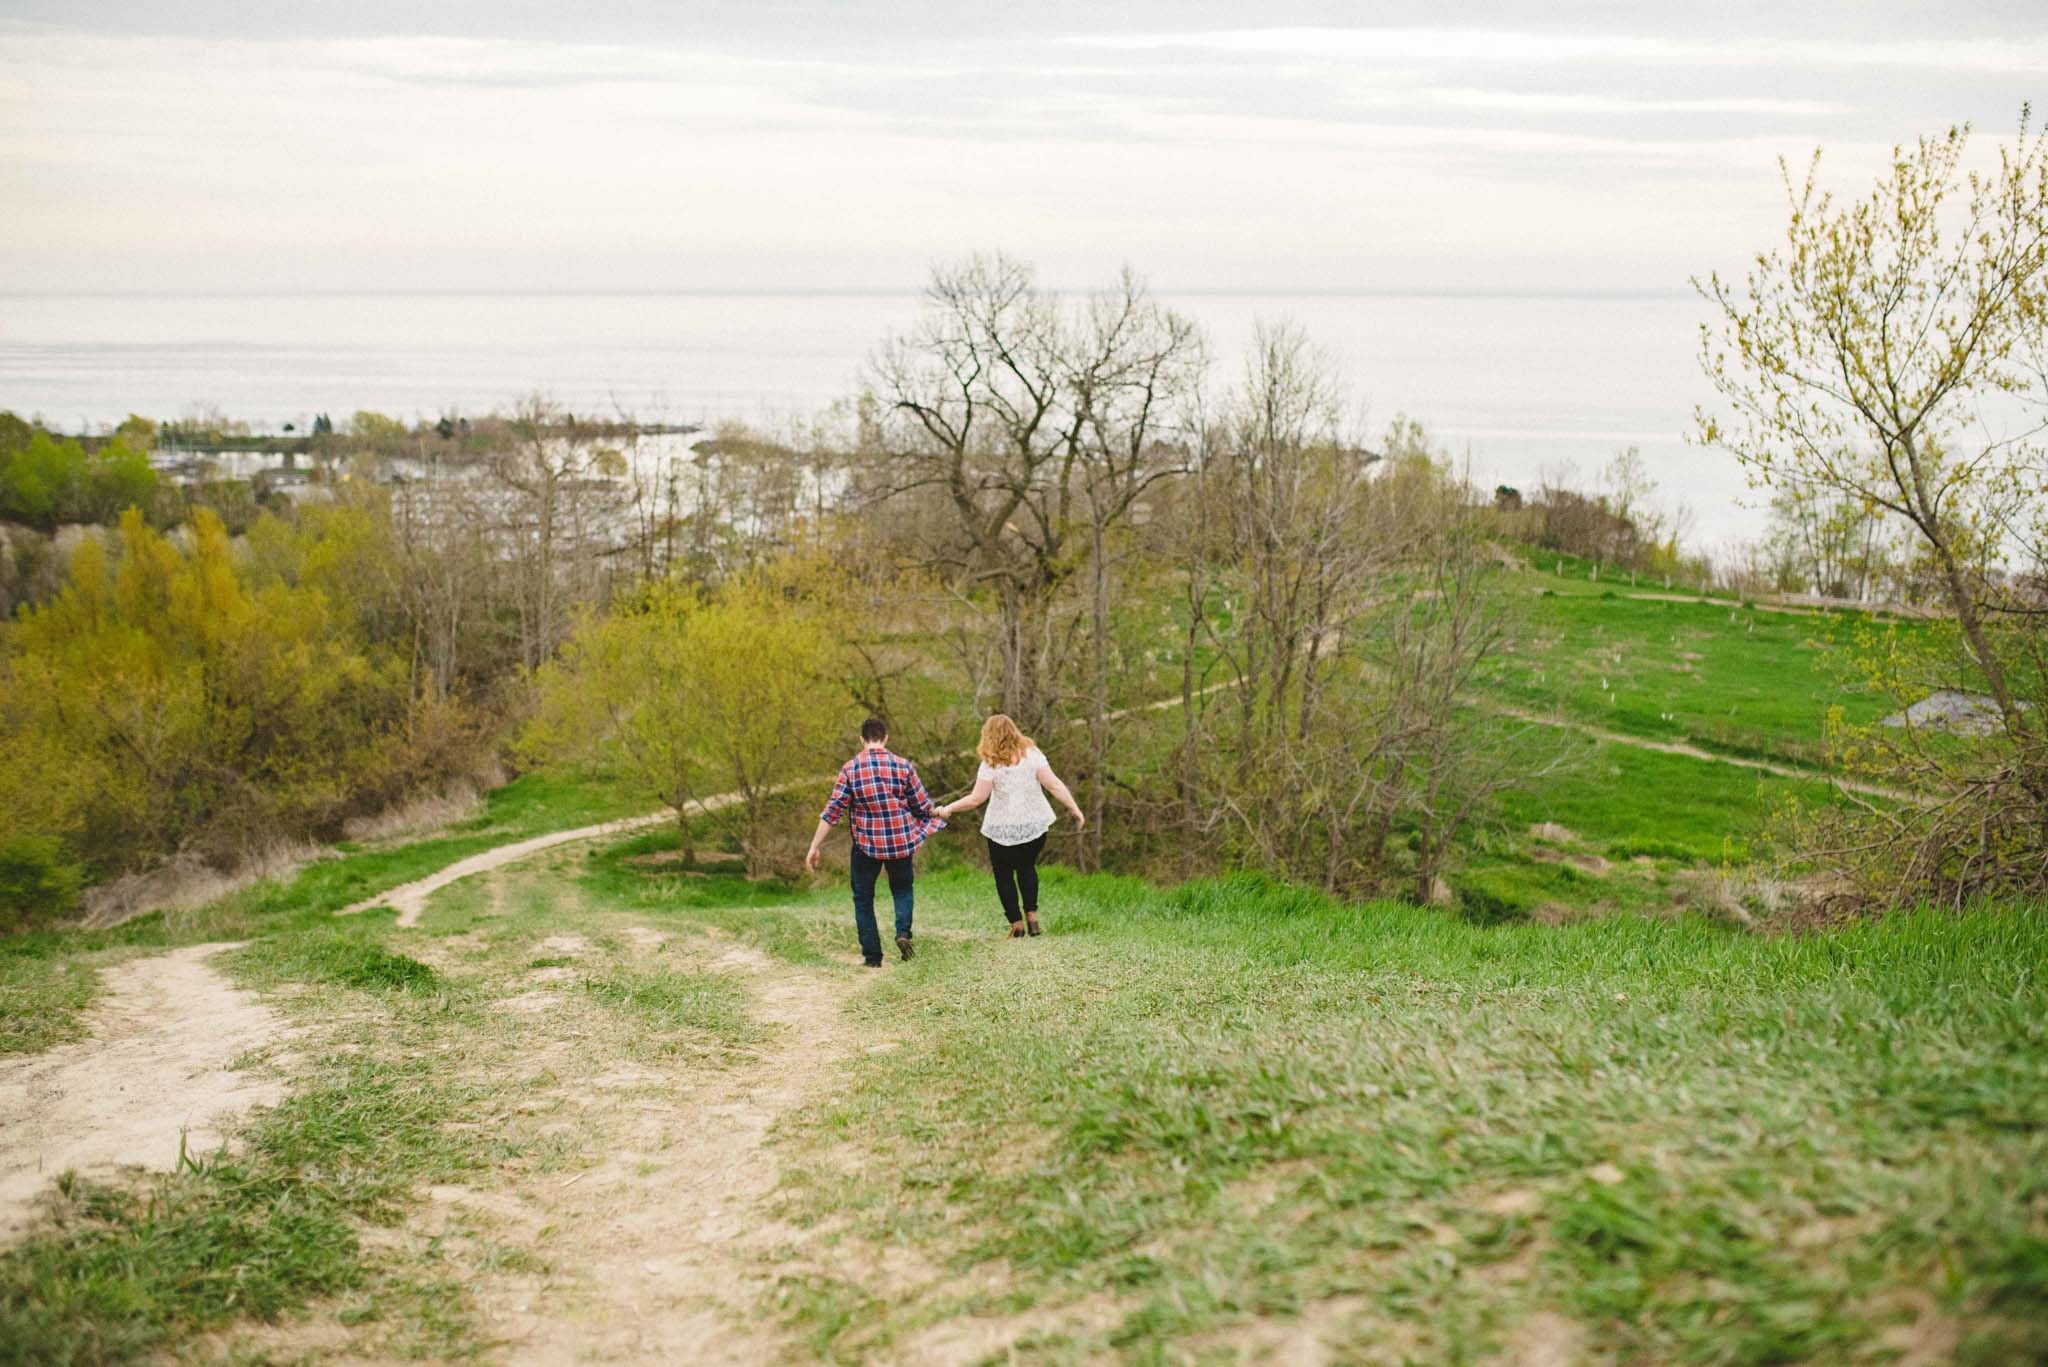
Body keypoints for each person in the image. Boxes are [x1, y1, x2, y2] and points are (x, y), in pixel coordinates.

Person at [806, 718, 944, 967]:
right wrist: (939, 813)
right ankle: (903, 933)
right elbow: (922, 806)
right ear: (886, 738)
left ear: (862, 740)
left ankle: (872, 958)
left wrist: (814, 846)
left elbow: (832, 812)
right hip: (900, 842)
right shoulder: (903, 766)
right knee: (902, 889)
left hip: (866, 846)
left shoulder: (851, 769)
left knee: (863, 898)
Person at [937, 714, 1085, 938]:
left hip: (1001, 828)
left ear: (988, 735)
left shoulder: (990, 762)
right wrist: (1074, 808)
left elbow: (976, 799)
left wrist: (948, 808)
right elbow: (1053, 784)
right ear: (1014, 730)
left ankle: (1017, 924)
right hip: (1033, 825)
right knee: (1027, 868)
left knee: (1003, 874)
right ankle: (1032, 917)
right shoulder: (1033, 755)